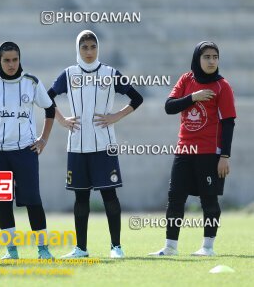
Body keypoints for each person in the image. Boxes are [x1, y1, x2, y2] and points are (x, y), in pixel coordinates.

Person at [47, 30, 143, 259]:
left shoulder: (110, 73)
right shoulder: (68, 74)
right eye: (84, 48)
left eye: (92, 47)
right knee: (81, 198)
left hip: (104, 145)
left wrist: (115, 116)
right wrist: (61, 119)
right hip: (78, 146)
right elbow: (45, 96)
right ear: (77, 50)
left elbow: (136, 98)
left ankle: (116, 247)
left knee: (110, 196)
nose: (89, 52)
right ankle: (81, 248)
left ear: (98, 48)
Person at [149, 41, 236, 257]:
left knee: (209, 199)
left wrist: (224, 156)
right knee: (175, 197)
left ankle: (208, 247)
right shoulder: (186, 79)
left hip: (209, 152)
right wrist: (193, 98)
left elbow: (228, 123)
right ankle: (170, 246)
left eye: (215, 57)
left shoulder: (222, 86)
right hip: (184, 150)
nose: (211, 61)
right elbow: (169, 106)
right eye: (206, 56)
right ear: (198, 59)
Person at [0, 41, 56, 260]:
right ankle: (11, 250)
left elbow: (50, 109)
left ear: (20, 59)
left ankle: (43, 249)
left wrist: (43, 140)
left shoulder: (31, 82)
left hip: (25, 151)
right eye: (6, 60)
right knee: (3, 203)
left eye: (14, 59)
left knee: (33, 200)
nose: (11, 64)